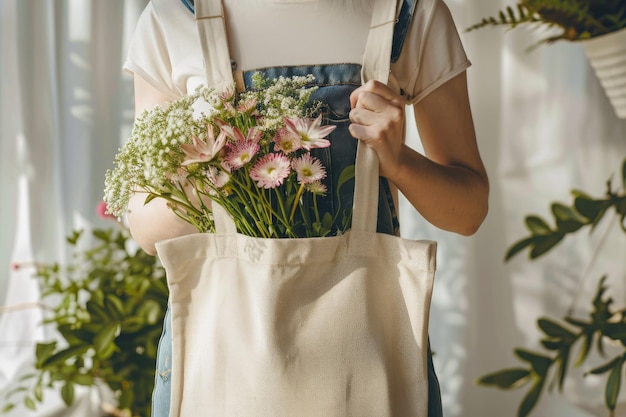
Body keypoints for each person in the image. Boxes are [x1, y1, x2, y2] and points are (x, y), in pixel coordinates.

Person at [123, 0, 489, 415]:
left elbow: (469, 211)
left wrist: (399, 160)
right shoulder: (175, 15)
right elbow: (147, 229)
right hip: (225, 360)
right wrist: (210, 165)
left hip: (364, 359)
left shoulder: (408, 12)